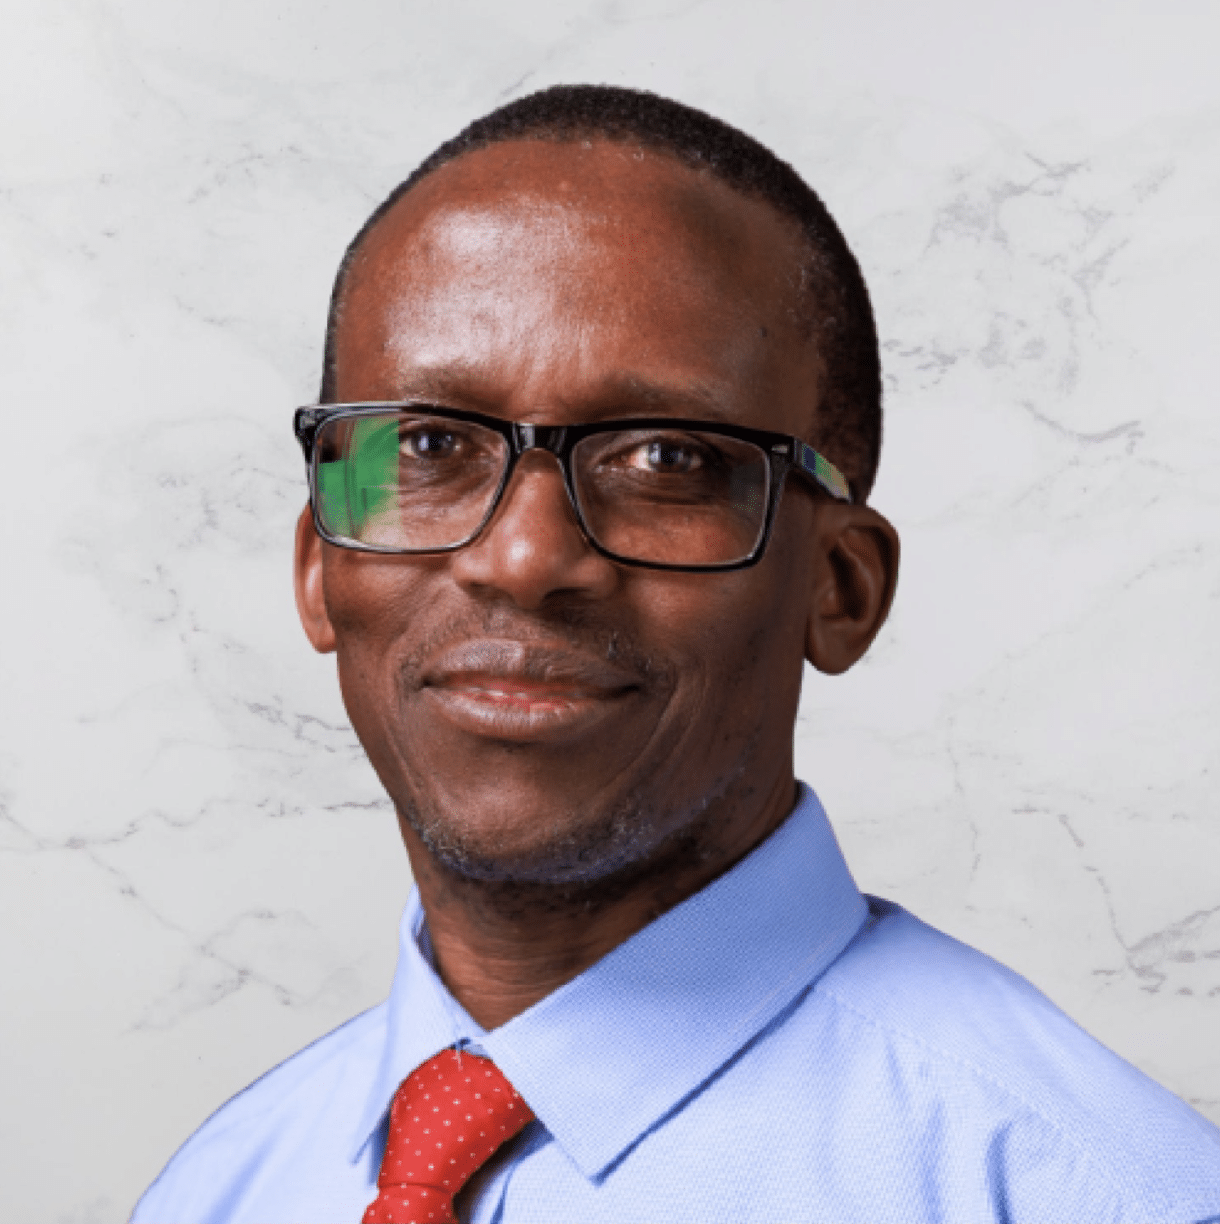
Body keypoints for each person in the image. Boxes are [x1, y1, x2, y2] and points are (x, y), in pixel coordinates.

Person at [131, 84, 1220, 1224]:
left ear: (840, 589)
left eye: (666, 459)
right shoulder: (223, 1188)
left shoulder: (1088, 1193)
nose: (522, 557)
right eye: (431, 443)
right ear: (319, 567)